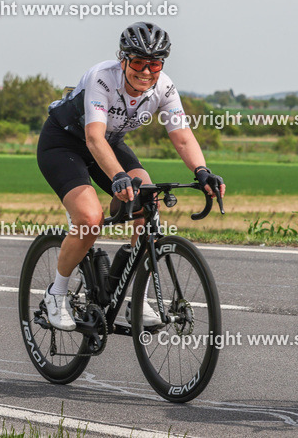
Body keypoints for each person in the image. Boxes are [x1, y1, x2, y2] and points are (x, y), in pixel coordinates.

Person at [37, 22, 225, 331]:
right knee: (89, 218)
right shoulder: (103, 78)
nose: (146, 71)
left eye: (154, 63)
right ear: (123, 59)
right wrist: (118, 177)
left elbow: (181, 136)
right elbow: (94, 138)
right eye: (138, 62)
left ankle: (137, 298)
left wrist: (202, 172)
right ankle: (55, 296)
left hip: (110, 145)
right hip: (65, 143)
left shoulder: (164, 87)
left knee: (147, 202)